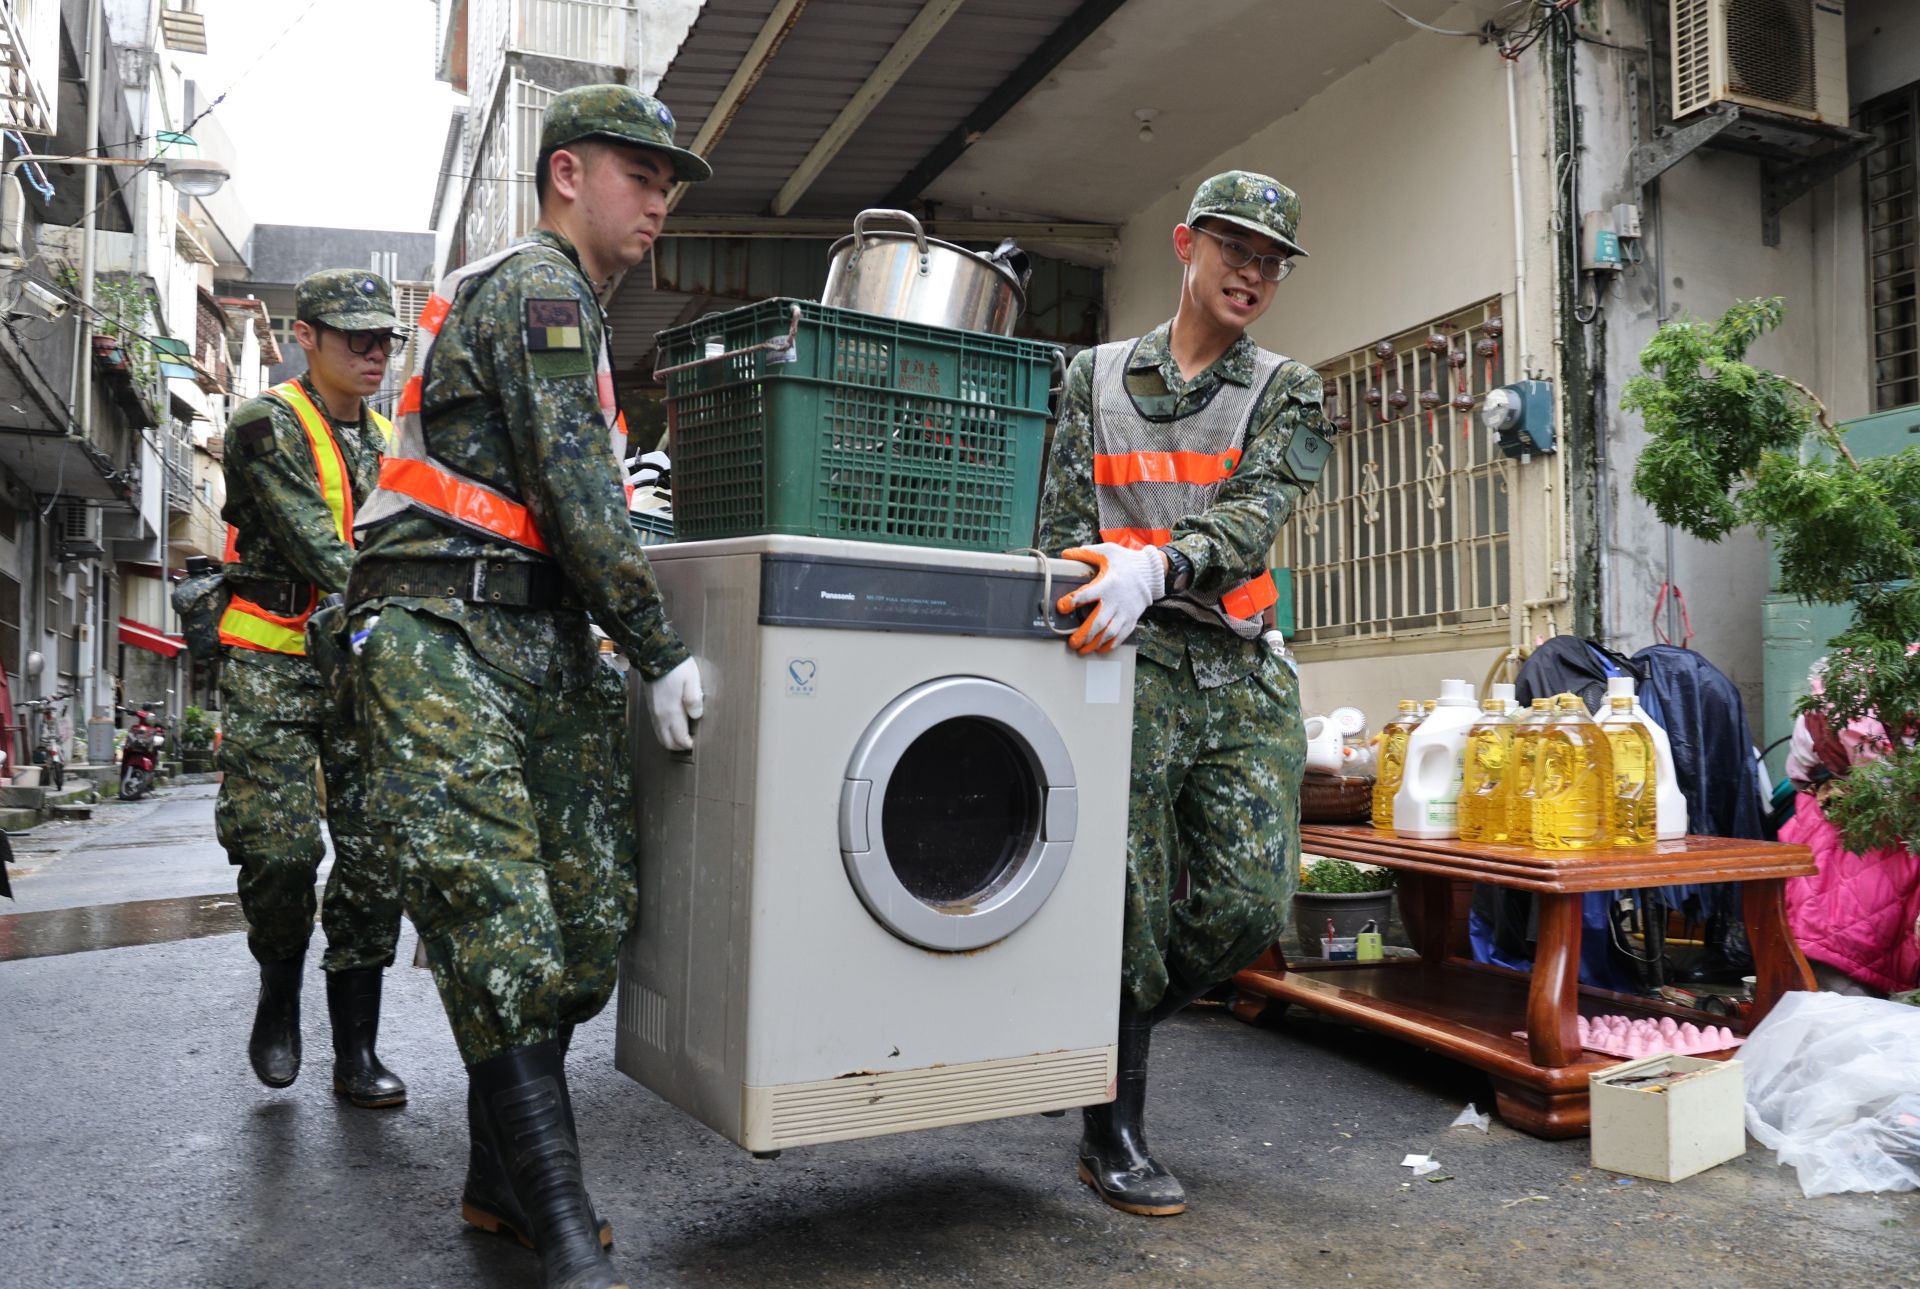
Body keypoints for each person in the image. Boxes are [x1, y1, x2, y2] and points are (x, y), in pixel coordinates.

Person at [347, 85, 708, 1289]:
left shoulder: (574, 311)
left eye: (669, 182)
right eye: (638, 173)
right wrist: (659, 645)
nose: (659, 197)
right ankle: (559, 1220)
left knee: (588, 918)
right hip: (442, 626)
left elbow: (570, 493)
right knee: (498, 911)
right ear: (567, 173)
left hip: (539, 638)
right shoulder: (543, 287)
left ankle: (497, 1182)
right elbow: (576, 488)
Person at [1037, 171, 1331, 1216]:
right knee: (1128, 896)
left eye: (1271, 258)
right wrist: (1085, 594)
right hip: (1126, 656)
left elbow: (1255, 515)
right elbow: (1062, 520)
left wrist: (1162, 563)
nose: (1252, 271)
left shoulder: (1289, 388)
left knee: (1253, 896)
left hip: (1237, 658)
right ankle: (1110, 1127)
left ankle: (1092, 1042)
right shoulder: (1095, 376)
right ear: (1185, 245)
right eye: (1234, 247)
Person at [217, 269, 407, 1107]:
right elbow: (317, 547)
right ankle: (278, 990)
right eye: (353, 336)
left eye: (384, 339)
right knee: (282, 849)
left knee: (373, 861)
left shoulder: (398, 438)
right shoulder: (265, 423)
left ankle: (355, 1051)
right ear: (305, 336)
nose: (373, 352)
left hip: (365, 669)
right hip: (276, 656)